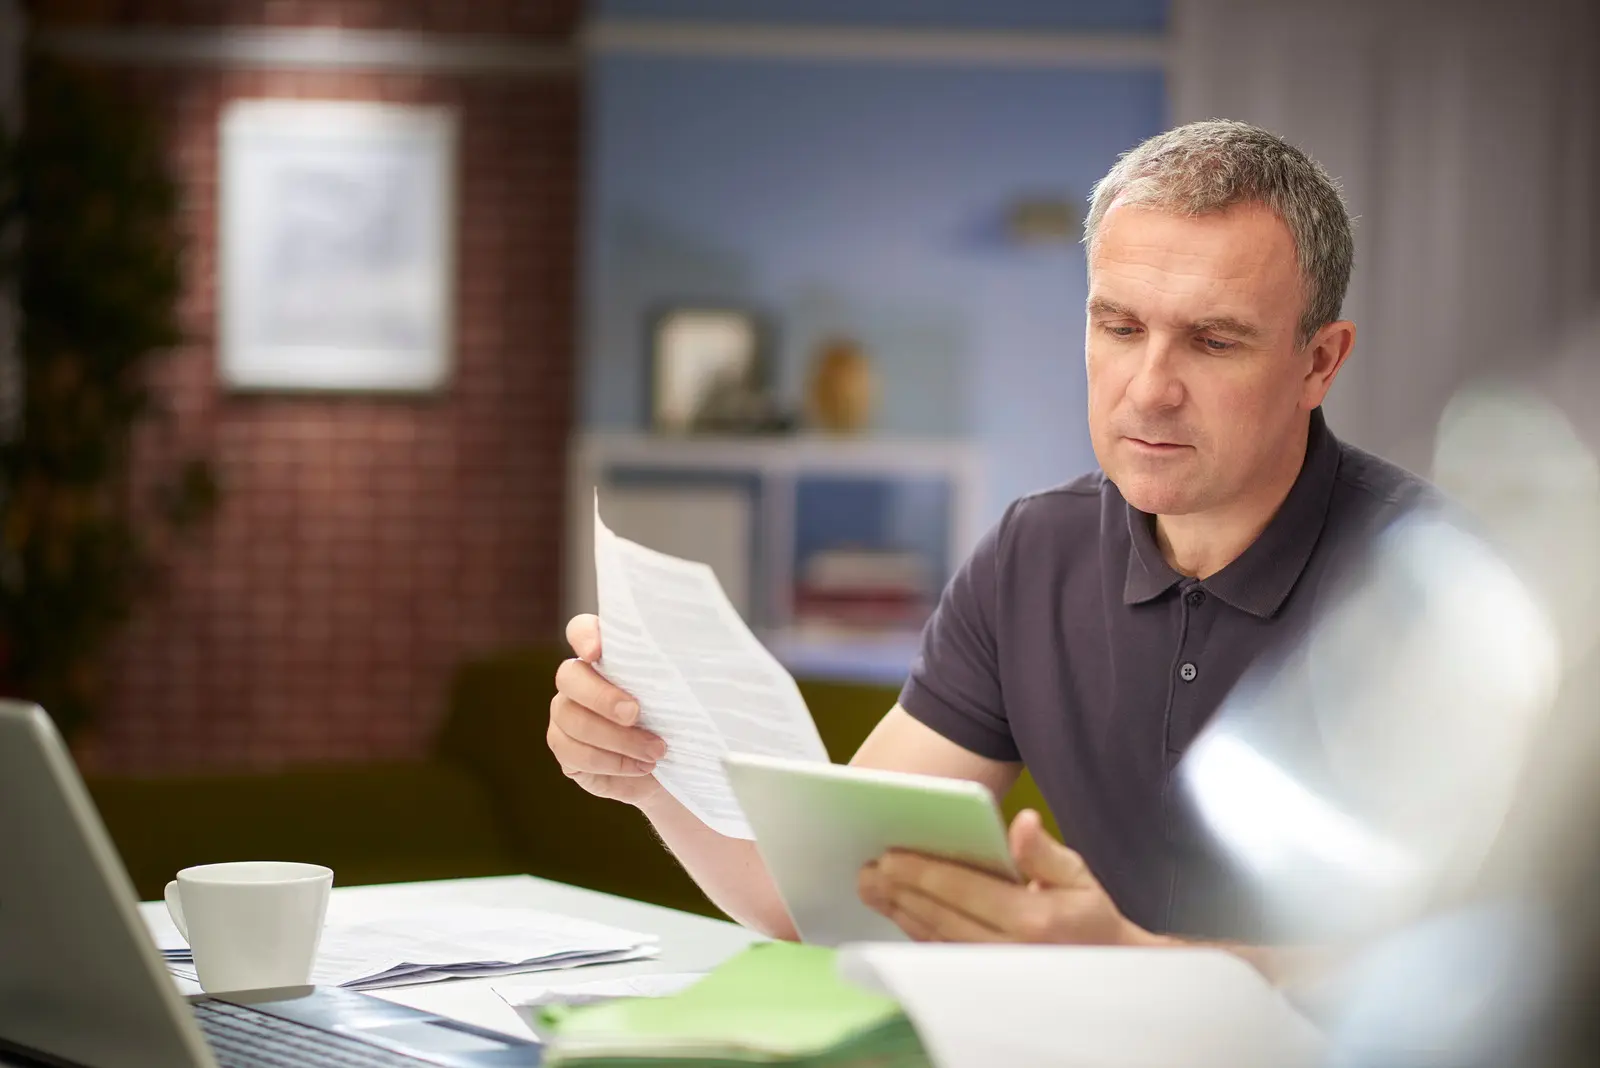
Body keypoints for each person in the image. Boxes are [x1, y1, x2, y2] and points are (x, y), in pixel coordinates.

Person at [545, 120, 1433, 967]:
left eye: (1212, 340)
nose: (1150, 390)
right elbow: (828, 898)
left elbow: (1481, 980)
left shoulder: (1438, 591)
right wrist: (644, 771)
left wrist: (1137, 966)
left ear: (1319, 362)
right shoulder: (1033, 557)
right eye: (1119, 328)